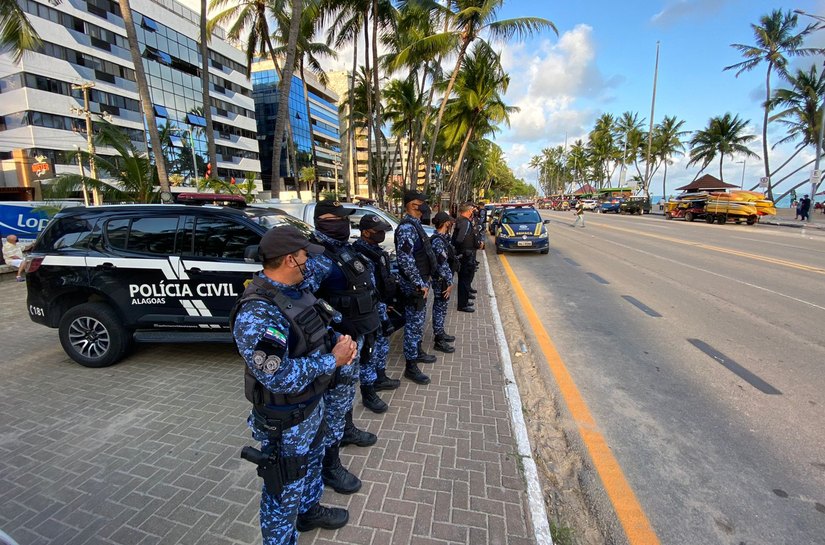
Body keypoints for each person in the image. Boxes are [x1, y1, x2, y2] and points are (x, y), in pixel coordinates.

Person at [231, 225, 356, 544]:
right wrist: (333, 360)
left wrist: (336, 342)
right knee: (282, 493)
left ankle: (309, 511)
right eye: (303, 256)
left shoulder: (293, 290)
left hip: (311, 406)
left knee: (312, 467)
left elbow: (313, 329)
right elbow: (276, 375)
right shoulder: (257, 312)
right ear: (289, 260)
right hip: (286, 420)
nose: (308, 262)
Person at [309, 199, 381, 495]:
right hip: (336, 347)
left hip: (355, 337)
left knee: (345, 395)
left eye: (343, 218)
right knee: (334, 405)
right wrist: (334, 335)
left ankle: (347, 431)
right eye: (333, 218)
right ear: (320, 221)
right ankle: (330, 466)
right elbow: (306, 306)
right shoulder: (314, 256)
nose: (341, 223)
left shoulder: (344, 248)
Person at [351, 214, 402, 403]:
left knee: (382, 346)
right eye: (378, 231)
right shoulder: (360, 255)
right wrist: (382, 310)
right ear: (365, 232)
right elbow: (368, 288)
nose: (381, 234)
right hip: (371, 310)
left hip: (382, 305)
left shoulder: (375, 250)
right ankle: (368, 390)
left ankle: (380, 377)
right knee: (370, 351)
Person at [395, 190, 438, 385]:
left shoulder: (416, 225)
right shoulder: (406, 228)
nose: (424, 206)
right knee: (413, 324)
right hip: (415, 286)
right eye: (421, 203)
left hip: (421, 282)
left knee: (419, 321)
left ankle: (417, 351)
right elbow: (406, 260)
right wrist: (419, 284)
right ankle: (410, 367)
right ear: (412, 204)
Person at [430, 211, 458, 353]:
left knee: (442, 308)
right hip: (441, 280)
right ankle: (439, 340)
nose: (451, 223)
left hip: (444, 278)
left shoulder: (442, 238)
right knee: (439, 308)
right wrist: (449, 281)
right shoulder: (437, 241)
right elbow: (441, 263)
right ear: (445, 223)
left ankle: (441, 333)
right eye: (449, 222)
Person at [452, 203, 481, 313]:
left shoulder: (461, 220)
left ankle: (464, 301)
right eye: (472, 210)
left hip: (465, 254)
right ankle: (462, 305)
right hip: (465, 255)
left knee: (465, 279)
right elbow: (460, 239)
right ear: (468, 211)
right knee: (464, 280)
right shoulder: (465, 222)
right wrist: (464, 252)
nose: (473, 211)